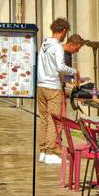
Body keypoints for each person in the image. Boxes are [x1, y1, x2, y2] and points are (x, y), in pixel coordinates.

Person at [36, 17, 78, 165]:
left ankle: (42, 151)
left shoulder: (44, 45)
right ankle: (49, 151)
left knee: (43, 119)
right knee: (54, 120)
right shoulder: (58, 47)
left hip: (41, 85)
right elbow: (61, 67)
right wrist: (74, 71)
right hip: (53, 87)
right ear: (64, 30)